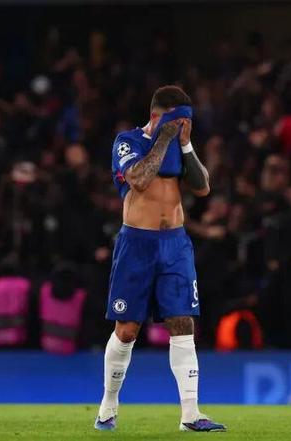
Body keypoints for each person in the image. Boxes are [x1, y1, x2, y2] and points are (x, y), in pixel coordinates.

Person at [94, 85, 226, 432]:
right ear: (158, 115)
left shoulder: (179, 145)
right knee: (127, 330)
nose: (183, 125)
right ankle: (108, 405)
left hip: (175, 245)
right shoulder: (127, 141)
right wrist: (164, 138)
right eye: (178, 120)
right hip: (137, 244)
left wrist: (186, 144)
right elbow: (138, 179)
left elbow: (202, 187)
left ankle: (191, 414)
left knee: (183, 322)